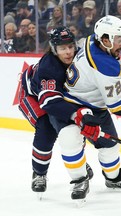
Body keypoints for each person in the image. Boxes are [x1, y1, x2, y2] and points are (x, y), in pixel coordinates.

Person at [52, 15, 121, 201]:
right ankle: (79, 180)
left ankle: (113, 178)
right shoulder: (104, 62)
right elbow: (118, 106)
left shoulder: (91, 41)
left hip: (95, 105)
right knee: (70, 140)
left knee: (111, 144)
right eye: (119, 40)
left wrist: (118, 83)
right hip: (70, 105)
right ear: (105, 40)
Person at [18, 26, 94, 197]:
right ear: (54, 49)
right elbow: (49, 103)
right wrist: (75, 114)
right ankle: (39, 173)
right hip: (34, 96)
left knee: (76, 129)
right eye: (62, 48)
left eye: (70, 46)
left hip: (60, 97)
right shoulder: (48, 67)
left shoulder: (81, 57)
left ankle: (78, 161)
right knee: (46, 128)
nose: (68, 52)